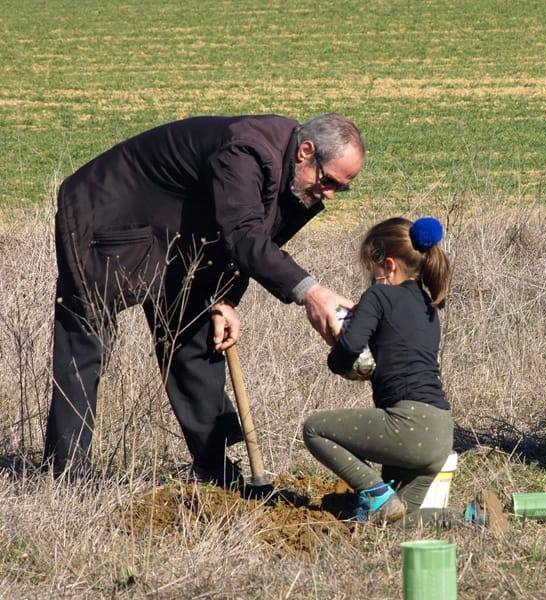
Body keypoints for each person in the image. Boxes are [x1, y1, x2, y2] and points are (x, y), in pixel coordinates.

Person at [46, 113, 363, 485]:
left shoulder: (295, 179)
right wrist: (312, 292)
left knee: (196, 336)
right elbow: (243, 234)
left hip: (173, 234)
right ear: (305, 151)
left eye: (339, 189)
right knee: (85, 339)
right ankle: (68, 474)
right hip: (104, 216)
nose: (328, 194)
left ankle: (216, 470)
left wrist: (225, 298)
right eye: (328, 182)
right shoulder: (249, 152)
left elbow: (253, 234)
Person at [302, 216, 454, 524]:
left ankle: (375, 493)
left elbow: (350, 348)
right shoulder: (428, 308)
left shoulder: (379, 295)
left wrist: (337, 360)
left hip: (409, 426)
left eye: (371, 270)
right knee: (394, 524)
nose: (370, 278)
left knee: (314, 429)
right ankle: (465, 518)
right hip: (440, 432)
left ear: (388, 264)